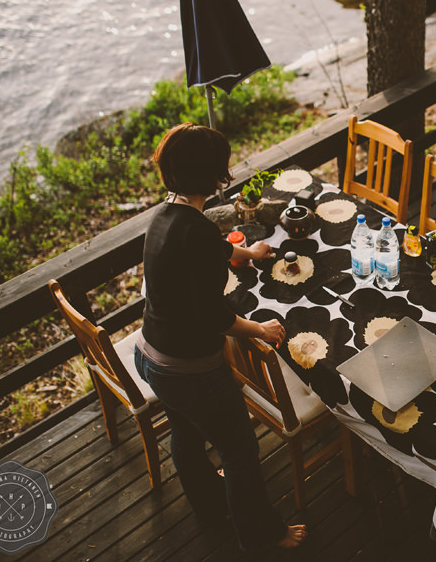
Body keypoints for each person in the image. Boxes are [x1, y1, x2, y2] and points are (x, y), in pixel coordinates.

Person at [134, 123, 305, 554]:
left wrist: (248, 254)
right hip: (190, 371)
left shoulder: (165, 216)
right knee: (240, 454)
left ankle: (211, 510)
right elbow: (214, 316)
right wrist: (260, 329)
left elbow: (212, 249)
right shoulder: (196, 231)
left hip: (150, 355)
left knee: (186, 436)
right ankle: (262, 536)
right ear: (213, 175)